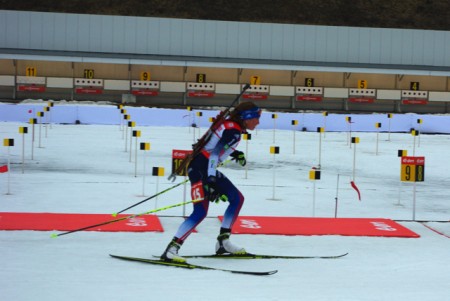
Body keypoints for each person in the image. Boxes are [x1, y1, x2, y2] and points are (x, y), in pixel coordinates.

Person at [161, 101, 261, 262]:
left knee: (237, 199)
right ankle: (171, 249)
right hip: (202, 170)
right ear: (247, 117)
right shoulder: (233, 130)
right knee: (200, 212)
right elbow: (214, 154)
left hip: (204, 167)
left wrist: (235, 153)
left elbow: (216, 145)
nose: (258, 122)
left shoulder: (232, 127)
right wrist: (211, 180)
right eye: (256, 117)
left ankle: (223, 242)